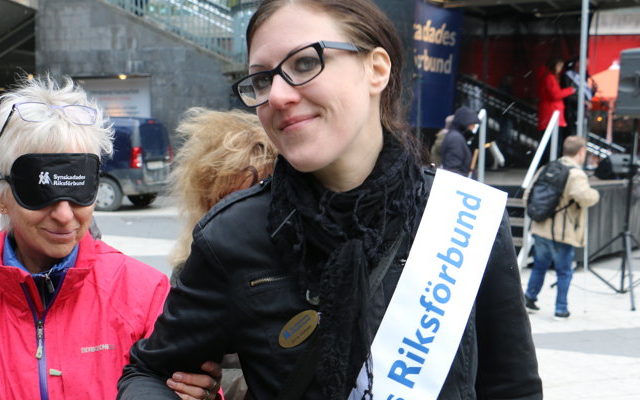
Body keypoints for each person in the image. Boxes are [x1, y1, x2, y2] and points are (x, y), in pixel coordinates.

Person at [118, 0, 542, 399]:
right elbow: (147, 372)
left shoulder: (464, 216)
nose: (278, 96)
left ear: (376, 69)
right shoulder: (232, 235)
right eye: (263, 79)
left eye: (305, 63)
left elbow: (512, 388)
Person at [0, 76, 221, 400]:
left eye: (78, 188)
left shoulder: (144, 294)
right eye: (42, 191)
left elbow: (195, 386)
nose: (65, 215)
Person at [168, 107, 278, 400]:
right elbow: (181, 370)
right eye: (229, 203)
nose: (241, 217)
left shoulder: (304, 265)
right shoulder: (192, 272)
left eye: (256, 200)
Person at [523, 136, 600, 319]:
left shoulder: (547, 168)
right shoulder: (576, 174)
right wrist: (595, 194)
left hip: (540, 227)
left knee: (539, 266)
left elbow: (528, 194)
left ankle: (529, 298)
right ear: (581, 152)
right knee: (564, 271)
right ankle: (560, 309)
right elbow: (585, 197)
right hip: (563, 232)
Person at [537, 58, 576, 134]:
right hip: (552, 112)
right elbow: (555, 95)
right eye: (559, 66)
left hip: (550, 112)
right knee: (554, 139)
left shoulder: (547, 76)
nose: (560, 69)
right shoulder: (550, 77)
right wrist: (570, 90)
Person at [440, 106, 479, 176]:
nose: (473, 129)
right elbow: (452, 170)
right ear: (465, 124)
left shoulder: (455, 137)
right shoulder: (456, 139)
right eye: (472, 125)